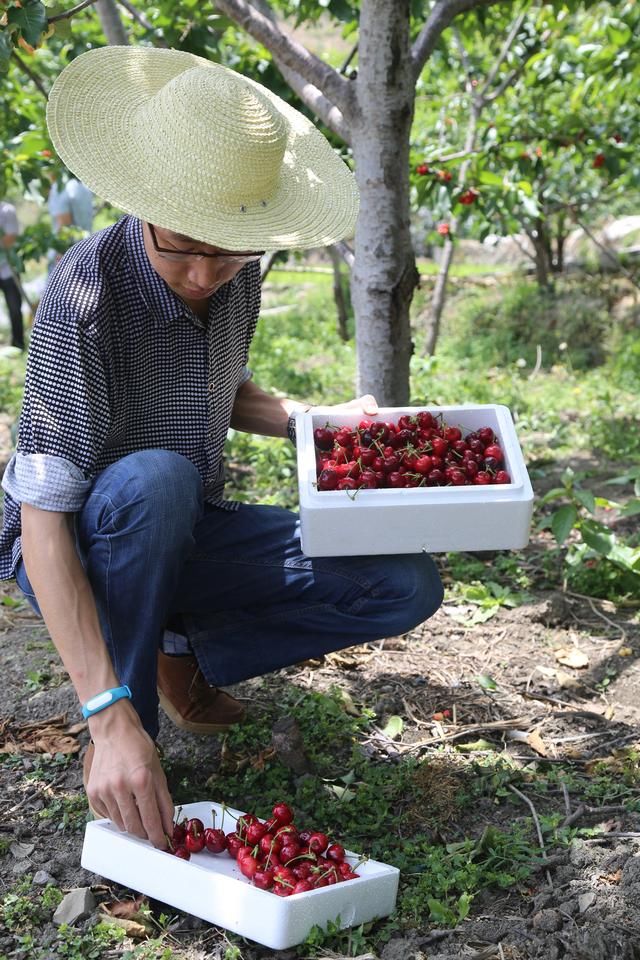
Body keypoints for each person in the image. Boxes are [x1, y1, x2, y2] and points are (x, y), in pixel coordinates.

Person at [0, 46, 444, 849]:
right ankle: (128, 738)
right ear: (143, 206)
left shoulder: (237, 271)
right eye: (182, 247)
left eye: (228, 250)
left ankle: (177, 644)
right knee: (157, 482)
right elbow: (42, 517)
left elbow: (216, 388)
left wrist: (316, 421)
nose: (205, 273)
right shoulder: (83, 296)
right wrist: (105, 720)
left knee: (402, 580)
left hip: (183, 524)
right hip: (86, 538)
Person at [47, 170, 94, 269]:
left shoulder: (59, 188)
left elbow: (64, 224)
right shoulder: (84, 187)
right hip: (87, 248)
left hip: (67, 255)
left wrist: (60, 252)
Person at [0, 197, 25, 350]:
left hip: (8, 269)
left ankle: (18, 343)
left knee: (15, 308)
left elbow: (10, 239)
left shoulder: (7, 210)